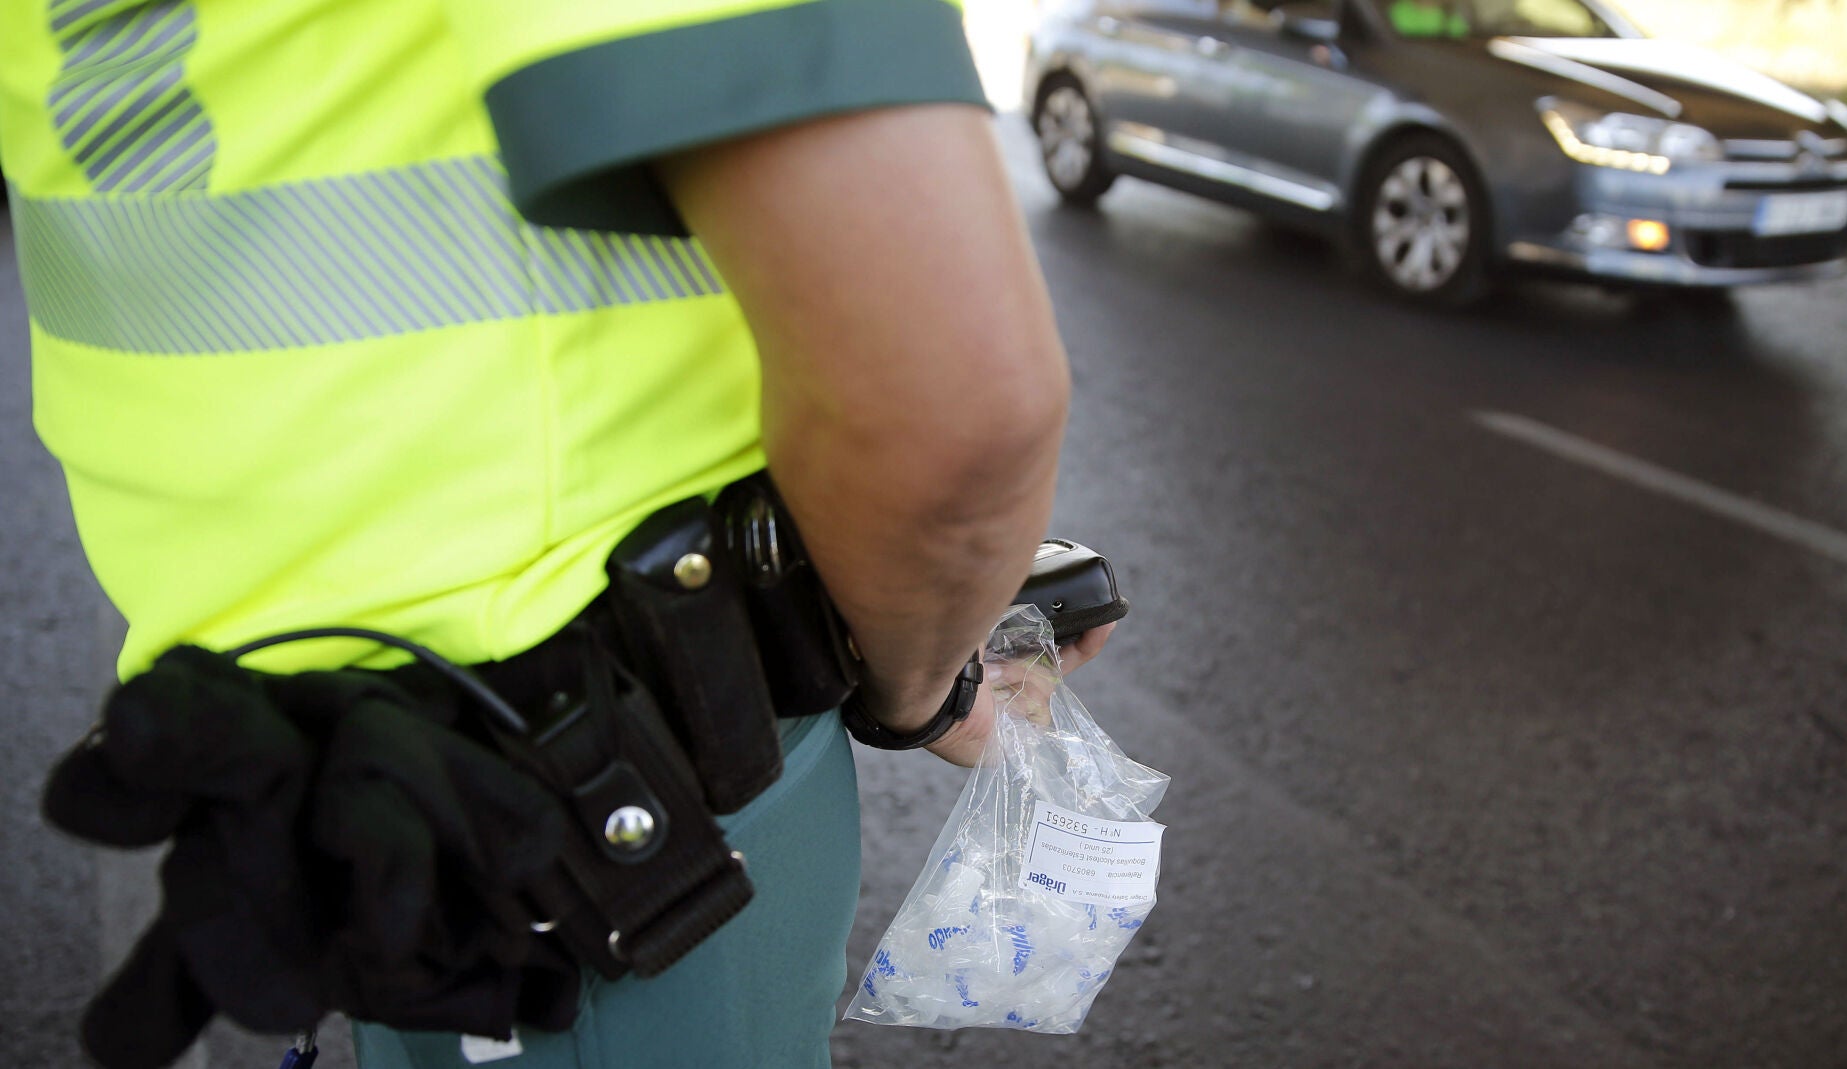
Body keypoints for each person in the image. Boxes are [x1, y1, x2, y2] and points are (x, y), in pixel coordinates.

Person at [1, 0, 1110, 1065]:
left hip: (540, 781)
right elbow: (948, 407)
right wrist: (926, 680)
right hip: (487, 788)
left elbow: (948, 408)